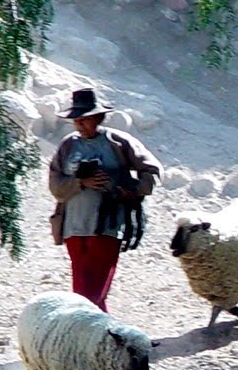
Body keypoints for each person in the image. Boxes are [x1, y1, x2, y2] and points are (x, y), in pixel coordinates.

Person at [48, 87, 162, 311]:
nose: (79, 124)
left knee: (92, 290)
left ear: (98, 118)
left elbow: (152, 170)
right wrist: (81, 183)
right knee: (81, 287)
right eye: (76, 120)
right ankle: (105, 336)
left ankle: (85, 332)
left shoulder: (117, 142)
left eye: (85, 119)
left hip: (108, 224)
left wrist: (133, 189)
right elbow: (55, 186)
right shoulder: (68, 145)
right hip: (73, 225)